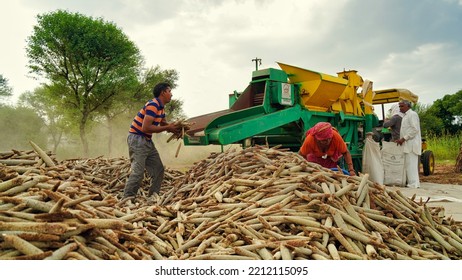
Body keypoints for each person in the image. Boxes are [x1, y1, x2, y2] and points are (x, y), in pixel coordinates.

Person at [123, 82, 181, 200]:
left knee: (158, 169)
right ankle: (127, 198)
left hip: (147, 140)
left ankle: (153, 197)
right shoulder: (153, 105)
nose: (171, 94)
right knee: (138, 172)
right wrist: (168, 128)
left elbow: (163, 123)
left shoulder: (161, 107)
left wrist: (177, 128)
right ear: (163, 92)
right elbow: (146, 128)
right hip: (138, 139)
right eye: (169, 91)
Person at [395, 100, 422, 188]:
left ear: (408, 106)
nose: (400, 108)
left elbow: (415, 129)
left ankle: (414, 184)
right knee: (409, 164)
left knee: (411, 164)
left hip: (411, 144)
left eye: (402, 106)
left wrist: (403, 139)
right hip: (407, 144)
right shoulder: (406, 116)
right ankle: (412, 183)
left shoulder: (412, 114)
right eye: (399, 106)